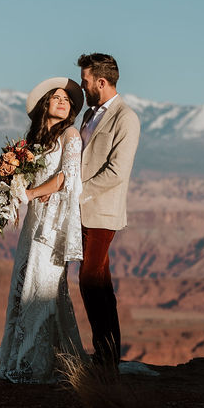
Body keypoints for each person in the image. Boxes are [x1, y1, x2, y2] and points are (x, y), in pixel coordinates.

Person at [0, 77, 88, 384]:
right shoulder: (36, 141)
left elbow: (67, 177)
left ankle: (34, 365)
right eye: (57, 97)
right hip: (34, 221)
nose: (64, 102)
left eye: (68, 99)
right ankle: (28, 357)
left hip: (52, 224)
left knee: (43, 289)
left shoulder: (71, 135)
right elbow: (29, 179)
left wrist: (31, 193)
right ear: (45, 104)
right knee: (25, 286)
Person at [76, 53, 141, 373]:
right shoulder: (89, 115)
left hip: (101, 212)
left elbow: (117, 171)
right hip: (83, 211)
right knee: (99, 281)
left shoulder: (125, 118)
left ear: (101, 82)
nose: (83, 86)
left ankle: (105, 354)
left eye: (86, 81)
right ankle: (106, 356)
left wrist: (79, 193)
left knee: (90, 280)